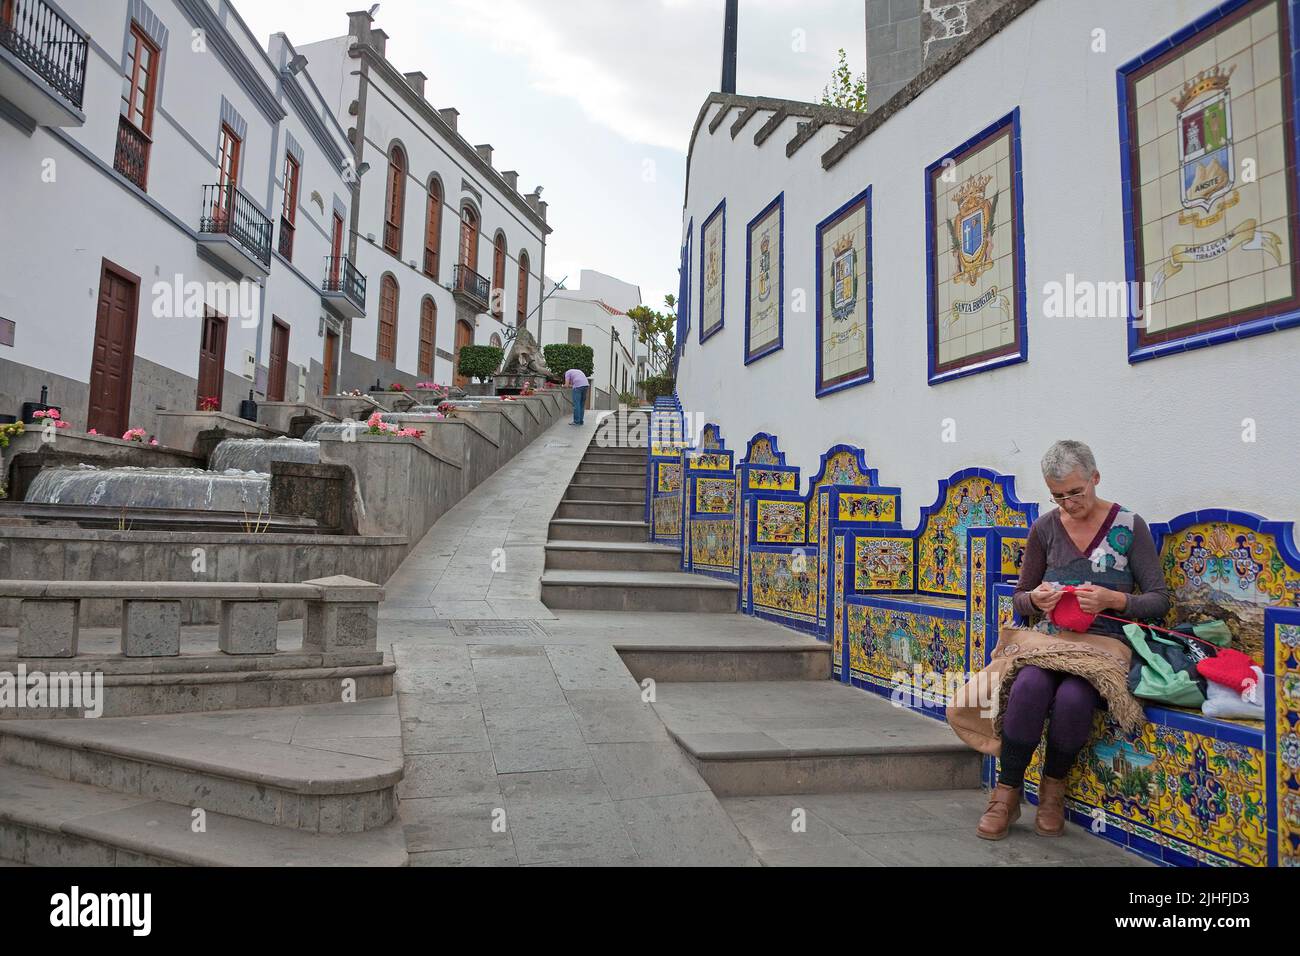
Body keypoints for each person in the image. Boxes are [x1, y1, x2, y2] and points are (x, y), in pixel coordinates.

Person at [976, 439, 1169, 841]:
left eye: (1075, 493)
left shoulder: (1129, 526)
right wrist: (1036, 599)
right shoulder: (1044, 528)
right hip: (1050, 643)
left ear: (1095, 478)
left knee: (1074, 697)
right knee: (1029, 686)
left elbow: (1159, 601)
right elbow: (1020, 599)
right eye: (1058, 496)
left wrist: (1114, 600)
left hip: (1103, 648)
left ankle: (1052, 791)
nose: (1067, 503)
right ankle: (1006, 793)